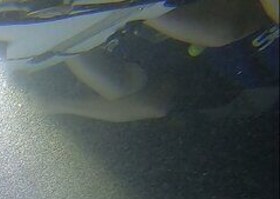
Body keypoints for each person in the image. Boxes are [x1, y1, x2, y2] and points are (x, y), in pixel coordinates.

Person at [29, 0, 278, 123]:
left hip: (179, 42)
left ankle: (60, 32)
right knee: (221, 33)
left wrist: (50, 105)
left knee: (121, 89)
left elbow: (149, 104)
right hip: (229, 45)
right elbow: (230, 27)